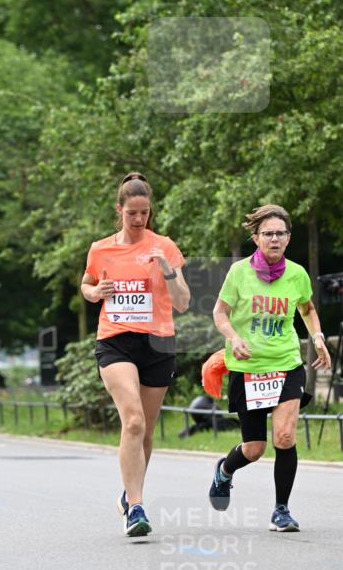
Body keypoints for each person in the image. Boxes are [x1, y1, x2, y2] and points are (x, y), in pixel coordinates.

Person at [209, 204, 331, 532]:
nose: (274, 239)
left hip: (287, 364)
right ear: (256, 238)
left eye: (280, 233)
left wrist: (317, 336)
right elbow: (220, 313)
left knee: (286, 435)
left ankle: (281, 510)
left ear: (289, 239)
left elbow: (307, 309)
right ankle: (225, 471)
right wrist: (233, 337)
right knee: (254, 449)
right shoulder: (238, 273)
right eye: (268, 233)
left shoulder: (297, 274)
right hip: (248, 367)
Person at [81, 171, 190, 536]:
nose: (140, 220)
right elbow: (86, 284)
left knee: (146, 431)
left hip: (158, 344)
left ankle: (129, 495)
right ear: (120, 210)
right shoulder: (101, 248)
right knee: (133, 421)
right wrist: (96, 293)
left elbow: (184, 303)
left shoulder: (165, 247)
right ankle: (138, 509)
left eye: (145, 213)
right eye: (133, 214)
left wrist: (167, 271)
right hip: (115, 341)